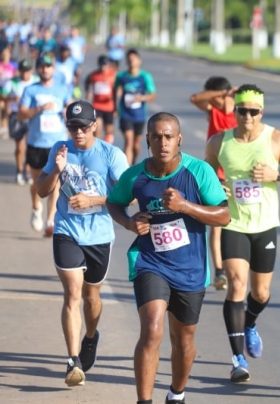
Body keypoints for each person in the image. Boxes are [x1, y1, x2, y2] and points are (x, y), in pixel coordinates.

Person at [106, 112, 230, 404]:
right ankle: (144, 401)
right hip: (150, 262)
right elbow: (114, 202)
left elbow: (224, 215)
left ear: (179, 140)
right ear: (147, 139)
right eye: (157, 137)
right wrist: (128, 223)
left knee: (184, 339)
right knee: (152, 328)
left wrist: (186, 206)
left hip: (190, 268)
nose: (163, 142)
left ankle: (177, 392)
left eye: (169, 137)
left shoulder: (199, 172)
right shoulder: (135, 175)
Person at [205, 84, 280, 383]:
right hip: (234, 223)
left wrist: (276, 175)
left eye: (254, 111)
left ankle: (250, 322)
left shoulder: (277, 139)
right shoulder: (218, 142)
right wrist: (216, 190)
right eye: (242, 110)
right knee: (236, 285)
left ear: (261, 112)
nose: (248, 116)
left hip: (265, 225)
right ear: (234, 111)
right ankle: (237, 358)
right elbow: (206, 175)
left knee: (260, 292)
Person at [34, 100, 128, 386]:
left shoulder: (111, 154)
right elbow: (41, 190)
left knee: (91, 297)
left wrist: (94, 200)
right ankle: (72, 361)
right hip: (67, 230)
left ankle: (90, 337)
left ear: (95, 125)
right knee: (73, 294)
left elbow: (128, 196)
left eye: (83, 127)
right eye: (72, 127)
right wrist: (55, 171)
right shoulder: (59, 150)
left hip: (99, 234)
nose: (78, 133)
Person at [190, 76, 237, 290]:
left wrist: (228, 95)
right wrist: (220, 94)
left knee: (236, 225)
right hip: (216, 176)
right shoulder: (213, 111)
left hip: (237, 177)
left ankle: (234, 266)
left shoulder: (240, 113)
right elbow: (195, 98)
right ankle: (219, 272)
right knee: (216, 226)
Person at [19, 53, 71, 237]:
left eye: (48, 66)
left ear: (53, 69)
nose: (45, 69)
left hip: (56, 144)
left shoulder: (62, 89)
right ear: (38, 68)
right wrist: (40, 108)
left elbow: (69, 107)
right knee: (37, 183)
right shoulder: (30, 90)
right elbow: (22, 114)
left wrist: (66, 110)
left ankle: (50, 220)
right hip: (35, 143)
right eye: (42, 66)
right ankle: (36, 207)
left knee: (55, 183)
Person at [114, 48, 156, 165]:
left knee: (136, 144)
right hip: (125, 113)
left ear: (139, 61)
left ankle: (133, 162)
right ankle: (126, 169)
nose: (131, 61)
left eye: (134, 59)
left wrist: (141, 98)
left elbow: (152, 95)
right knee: (128, 141)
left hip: (139, 115)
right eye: (129, 60)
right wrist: (115, 106)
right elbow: (115, 90)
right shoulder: (121, 76)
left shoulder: (145, 76)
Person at [3, 58, 38, 184]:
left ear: (31, 71)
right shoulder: (12, 82)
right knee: (20, 146)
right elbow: (3, 95)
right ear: (19, 71)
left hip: (31, 116)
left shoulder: (36, 82)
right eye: (22, 71)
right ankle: (19, 171)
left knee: (30, 146)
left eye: (27, 71)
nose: (25, 74)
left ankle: (27, 172)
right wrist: (12, 98)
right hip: (16, 116)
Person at [85, 55, 117, 143]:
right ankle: (98, 146)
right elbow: (87, 81)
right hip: (97, 105)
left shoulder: (113, 75)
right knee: (97, 128)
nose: (103, 67)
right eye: (102, 65)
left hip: (109, 106)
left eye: (105, 65)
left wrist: (116, 108)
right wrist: (88, 92)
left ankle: (108, 147)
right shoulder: (94, 75)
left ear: (108, 65)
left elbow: (116, 91)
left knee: (109, 130)